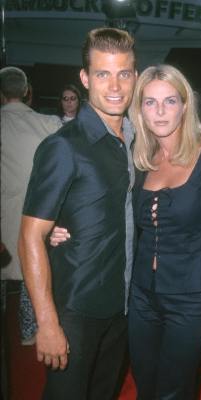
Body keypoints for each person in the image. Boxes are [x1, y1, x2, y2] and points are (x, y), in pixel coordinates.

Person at [52, 64, 201, 399]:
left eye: (170, 101)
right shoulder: (140, 158)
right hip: (140, 297)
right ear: (139, 108)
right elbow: (111, 211)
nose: (160, 111)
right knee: (145, 383)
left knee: (173, 390)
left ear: (185, 105)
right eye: (150, 102)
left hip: (191, 300)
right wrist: (64, 227)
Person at [18, 27, 137, 400]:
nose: (115, 86)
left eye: (124, 73)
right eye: (103, 73)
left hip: (122, 304)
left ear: (135, 75)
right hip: (76, 308)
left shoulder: (136, 141)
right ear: (85, 78)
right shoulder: (63, 147)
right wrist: (48, 322)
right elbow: (29, 236)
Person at [0, 67, 62, 346]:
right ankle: (28, 332)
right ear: (27, 91)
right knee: (31, 275)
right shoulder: (49, 123)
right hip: (37, 214)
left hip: (4, 216)